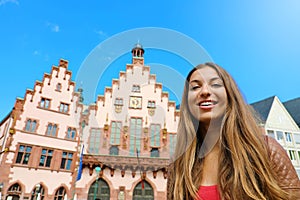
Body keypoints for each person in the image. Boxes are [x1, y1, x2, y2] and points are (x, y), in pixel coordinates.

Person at [167, 62, 300, 200]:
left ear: (230, 96)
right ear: (187, 103)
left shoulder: (267, 152)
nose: (205, 91)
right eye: (195, 87)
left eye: (216, 84)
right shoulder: (178, 168)